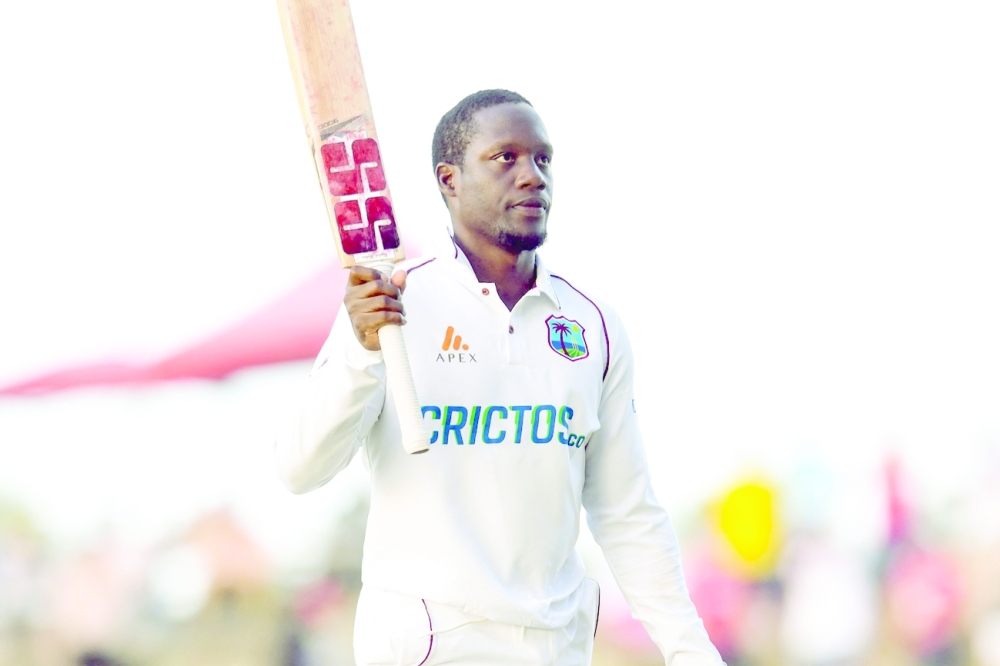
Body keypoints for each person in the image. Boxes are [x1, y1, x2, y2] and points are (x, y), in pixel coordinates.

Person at [275, 89, 724, 665]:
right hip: (426, 649)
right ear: (449, 179)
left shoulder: (593, 326)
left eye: (543, 159)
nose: (532, 176)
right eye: (504, 158)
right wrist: (364, 354)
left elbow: (627, 511)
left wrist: (692, 652)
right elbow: (299, 468)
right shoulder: (389, 305)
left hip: (552, 649)